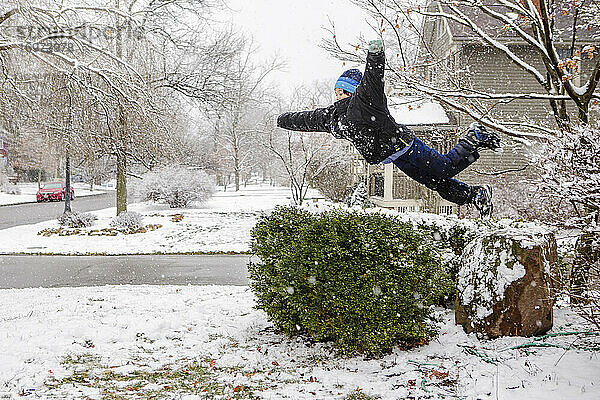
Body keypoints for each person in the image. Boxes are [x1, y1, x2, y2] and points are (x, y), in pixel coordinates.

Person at [277, 39, 500, 218]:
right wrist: (283, 120)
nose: (339, 95)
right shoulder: (333, 117)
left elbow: (373, 77)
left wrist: (375, 54)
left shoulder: (366, 100)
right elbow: (308, 119)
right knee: (435, 182)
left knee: (442, 171)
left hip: (405, 145)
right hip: (394, 155)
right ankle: (474, 195)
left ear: (354, 91)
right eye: (336, 92)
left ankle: (473, 137)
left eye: (343, 91)